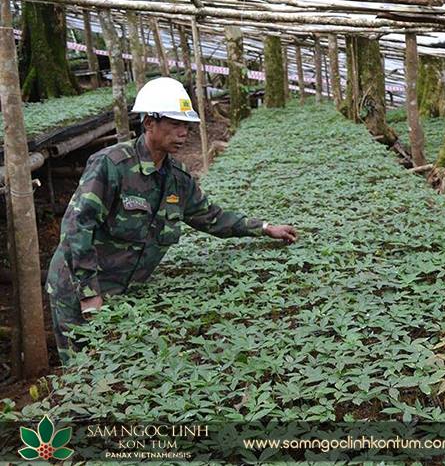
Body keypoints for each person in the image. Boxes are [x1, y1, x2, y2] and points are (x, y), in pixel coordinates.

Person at [46, 77, 297, 364]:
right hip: (77, 288)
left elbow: (210, 217)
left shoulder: (176, 177)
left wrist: (264, 228)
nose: (183, 133)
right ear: (149, 123)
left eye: (186, 127)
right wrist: (89, 294)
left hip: (124, 289)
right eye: (175, 125)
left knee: (117, 366)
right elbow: (77, 227)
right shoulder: (111, 165)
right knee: (83, 369)